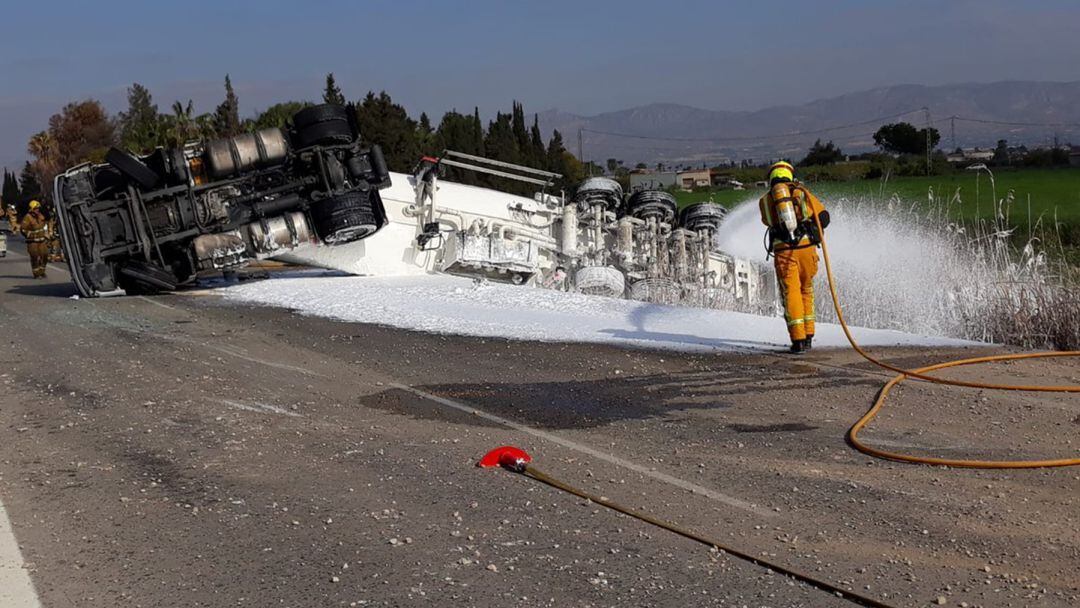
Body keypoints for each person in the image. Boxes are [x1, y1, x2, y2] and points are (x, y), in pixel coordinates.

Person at [758, 161, 831, 354]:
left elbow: (767, 221)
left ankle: (797, 340)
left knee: (791, 293)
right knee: (806, 290)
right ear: (790, 175)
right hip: (807, 250)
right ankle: (808, 337)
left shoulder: (766, 200)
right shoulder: (802, 193)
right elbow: (824, 217)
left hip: (784, 252)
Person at [20, 200, 50, 279]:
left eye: (38, 208)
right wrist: (31, 234)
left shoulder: (40, 215)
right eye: (36, 208)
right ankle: (36, 273)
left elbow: (46, 222)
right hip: (32, 242)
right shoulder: (27, 217)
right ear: (32, 209)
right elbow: (23, 229)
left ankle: (42, 271)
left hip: (42, 240)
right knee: (34, 256)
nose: (38, 210)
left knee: (45, 255)